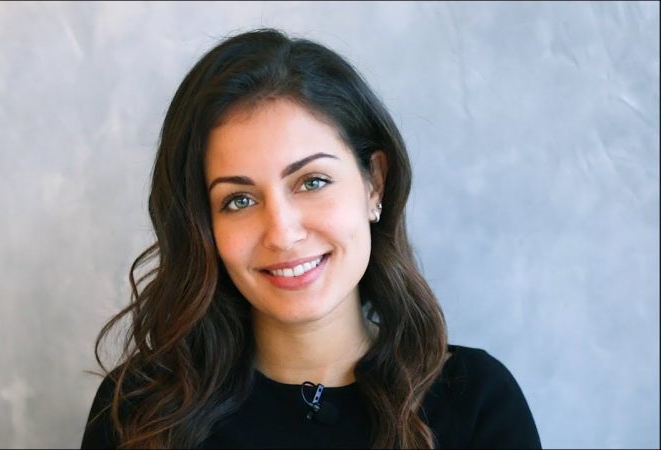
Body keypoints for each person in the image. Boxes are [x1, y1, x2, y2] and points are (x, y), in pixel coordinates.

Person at [81, 28, 541, 449]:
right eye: (239, 200)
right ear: (203, 225)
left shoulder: (476, 402)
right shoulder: (138, 414)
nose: (282, 233)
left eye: (312, 182)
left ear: (374, 184)